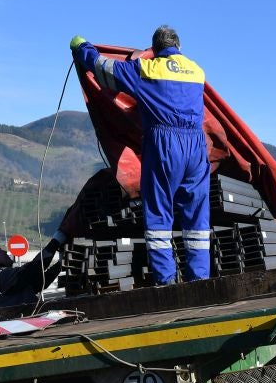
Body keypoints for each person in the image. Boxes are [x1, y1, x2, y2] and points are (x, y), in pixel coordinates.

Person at [70, 26, 211, 285]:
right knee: (196, 215)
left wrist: (82, 48)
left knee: (158, 213)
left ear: (154, 50)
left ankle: (166, 280)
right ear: (178, 47)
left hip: (165, 144)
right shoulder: (196, 71)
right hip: (196, 146)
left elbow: (103, 69)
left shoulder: (147, 70)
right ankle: (200, 279)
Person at [0, 241, 62, 309]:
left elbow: (38, 284)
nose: (4, 252)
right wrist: (56, 241)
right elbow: (32, 269)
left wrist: (60, 264)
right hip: (19, 324)